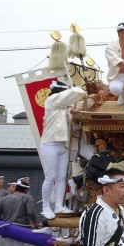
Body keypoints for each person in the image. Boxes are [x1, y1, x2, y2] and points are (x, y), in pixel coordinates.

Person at [40, 81, 86, 219]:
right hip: (50, 144)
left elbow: (75, 127)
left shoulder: (65, 109)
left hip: (63, 146)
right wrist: (74, 90)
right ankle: (46, 207)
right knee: (50, 177)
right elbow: (77, 92)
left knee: (62, 177)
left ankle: (59, 206)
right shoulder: (52, 100)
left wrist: (75, 115)